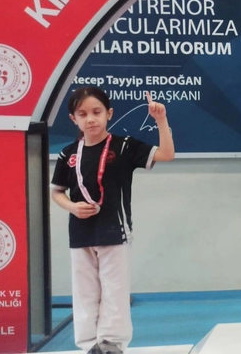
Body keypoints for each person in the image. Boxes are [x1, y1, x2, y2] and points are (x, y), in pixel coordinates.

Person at [51, 88, 175, 354]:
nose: (90, 119)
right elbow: (57, 192)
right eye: (82, 114)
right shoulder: (68, 154)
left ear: (109, 114)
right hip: (80, 233)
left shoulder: (124, 146)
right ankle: (89, 345)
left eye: (96, 112)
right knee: (84, 291)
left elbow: (166, 154)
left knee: (114, 290)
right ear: (73, 119)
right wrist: (72, 207)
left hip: (115, 231)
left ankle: (111, 344)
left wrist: (161, 121)